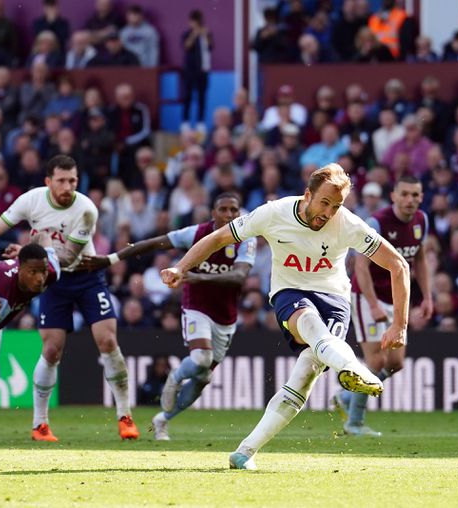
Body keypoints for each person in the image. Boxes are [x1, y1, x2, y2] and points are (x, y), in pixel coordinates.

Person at [160, 163, 410, 470]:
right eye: (324, 203)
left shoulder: (348, 224)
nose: (329, 213)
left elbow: (399, 265)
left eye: (337, 206)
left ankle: (245, 452)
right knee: (309, 323)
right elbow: (218, 239)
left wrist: (400, 324)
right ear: (307, 195)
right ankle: (351, 367)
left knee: (306, 374)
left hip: (335, 298)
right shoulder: (273, 213)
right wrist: (181, 268)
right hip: (289, 291)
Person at [81, 192, 256, 440]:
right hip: (197, 307)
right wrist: (111, 259)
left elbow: (239, 277)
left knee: (203, 377)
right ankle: (174, 377)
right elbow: (154, 243)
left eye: (234, 210)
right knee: (201, 358)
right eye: (224, 209)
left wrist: (197, 277)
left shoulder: (245, 238)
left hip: (225, 317)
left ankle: (162, 420)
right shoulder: (196, 233)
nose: (229, 215)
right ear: (213, 213)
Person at [0, 155, 139, 442]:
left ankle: (125, 416)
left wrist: (27, 251)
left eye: (72, 180)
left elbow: (69, 256)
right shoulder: (31, 200)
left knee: (108, 340)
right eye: (61, 180)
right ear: (48, 181)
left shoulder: (86, 209)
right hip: (47, 280)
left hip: (84, 275)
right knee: (51, 350)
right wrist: (28, 256)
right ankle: (40, 425)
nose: (67, 186)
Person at [332, 175, 432, 436]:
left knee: (396, 363)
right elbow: (360, 265)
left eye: (415, 195)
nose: (410, 200)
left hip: (397, 296)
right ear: (394, 196)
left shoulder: (422, 221)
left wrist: (428, 297)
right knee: (376, 359)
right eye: (405, 194)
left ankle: (345, 397)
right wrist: (374, 305)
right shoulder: (378, 222)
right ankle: (354, 422)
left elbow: (419, 259)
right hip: (368, 295)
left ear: (421, 197)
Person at [0, 235, 60, 388]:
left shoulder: (52, 272)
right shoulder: (0, 280)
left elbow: (44, 235)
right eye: (33, 272)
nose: (40, 279)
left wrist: (26, 249)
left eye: (42, 272)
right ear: (20, 269)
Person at [181, 9, 212, 131]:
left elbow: (211, 46)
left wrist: (204, 35)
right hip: (190, 70)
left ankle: (200, 122)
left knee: (202, 97)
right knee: (187, 96)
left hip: (203, 70)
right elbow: (186, 46)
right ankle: (185, 121)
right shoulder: (186, 34)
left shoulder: (206, 34)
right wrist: (194, 34)